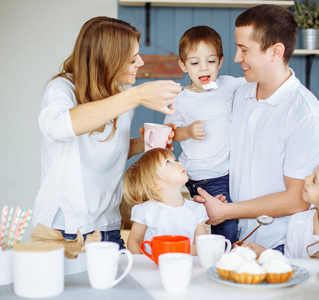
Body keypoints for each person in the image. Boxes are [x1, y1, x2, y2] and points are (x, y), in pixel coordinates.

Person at [32, 16, 181, 249]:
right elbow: (59, 126)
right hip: (65, 229)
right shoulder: (62, 89)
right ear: (108, 59)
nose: (141, 62)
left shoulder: (120, 92)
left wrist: (141, 144)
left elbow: (104, 150)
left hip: (108, 225)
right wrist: (136, 96)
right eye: (132, 59)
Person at [194, 4, 319, 251]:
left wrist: (225, 211)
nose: (236, 58)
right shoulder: (239, 95)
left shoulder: (305, 113)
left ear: (276, 51)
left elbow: (298, 199)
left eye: (244, 50)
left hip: (280, 246)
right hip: (234, 239)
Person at [163, 26, 246, 244]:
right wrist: (188, 131)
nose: (203, 68)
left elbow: (255, 80)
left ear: (220, 61)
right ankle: (222, 261)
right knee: (225, 225)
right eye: (194, 63)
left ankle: (227, 257)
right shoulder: (182, 99)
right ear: (183, 66)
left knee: (236, 220)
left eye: (210, 61)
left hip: (230, 171)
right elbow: (169, 134)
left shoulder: (228, 84)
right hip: (204, 174)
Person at [122, 148, 208, 255]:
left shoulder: (198, 210)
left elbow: (201, 246)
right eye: (168, 162)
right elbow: (134, 243)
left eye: (174, 160)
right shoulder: (145, 211)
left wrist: (172, 252)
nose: (179, 163)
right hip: (152, 269)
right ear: (155, 184)